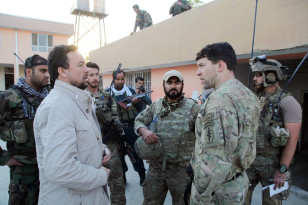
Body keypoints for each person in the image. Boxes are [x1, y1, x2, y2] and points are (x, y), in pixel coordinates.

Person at [33, 45, 111, 205]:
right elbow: (60, 168)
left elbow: (80, 140)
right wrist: (101, 176)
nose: (86, 70)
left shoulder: (76, 101)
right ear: (62, 71)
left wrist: (101, 149)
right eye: (80, 65)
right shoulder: (57, 107)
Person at [190, 42, 260, 204]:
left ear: (220, 65)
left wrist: (200, 196)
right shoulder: (248, 95)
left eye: (202, 65)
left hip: (217, 191)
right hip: (237, 183)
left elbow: (214, 159)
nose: (198, 72)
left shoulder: (220, 100)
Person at [134, 70, 200, 205]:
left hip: (182, 171)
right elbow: (139, 120)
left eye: (177, 82)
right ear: (164, 85)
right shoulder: (156, 106)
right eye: (169, 83)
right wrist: (144, 130)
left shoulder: (193, 108)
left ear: (182, 85)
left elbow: (205, 138)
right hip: (156, 169)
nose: (173, 86)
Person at [245, 56, 302, 205]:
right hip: (250, 160)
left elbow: (292, 140)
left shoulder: (288, 102)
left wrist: (282, 170)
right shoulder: (254, 99)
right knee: (240, 199)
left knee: (271, 202)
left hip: (273, 164)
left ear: (271, 75)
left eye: (258, 75)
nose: (255, 79)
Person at [0, 54, 49, 205]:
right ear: (29, 71)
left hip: (48, 167)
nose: (47, 75)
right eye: (42, 71)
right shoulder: (10, 97)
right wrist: (4, 158)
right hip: (23, 171)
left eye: (48, 71)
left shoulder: (50, 97)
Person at [85, 62, 126, 205]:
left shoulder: (107, 96)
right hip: (90, 147)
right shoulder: (82, 96)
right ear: (85, 76)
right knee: (93, 188)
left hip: (111, 145)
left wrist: (119, 139)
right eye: (90, 75)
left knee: (117, 183)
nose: (94, 78)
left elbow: (115, 118)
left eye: (96, 74)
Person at [110, 69, 146, 185]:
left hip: (130, 127)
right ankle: (123, 177)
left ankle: (142, 176)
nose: (120, 81)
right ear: (113, 79)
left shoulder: (130, 91)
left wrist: (136, 102)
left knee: (136, 152)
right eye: (118, 79)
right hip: (116, 130)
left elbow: (140, 108)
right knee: (119, 155)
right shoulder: (108, 93)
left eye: (122, 79)